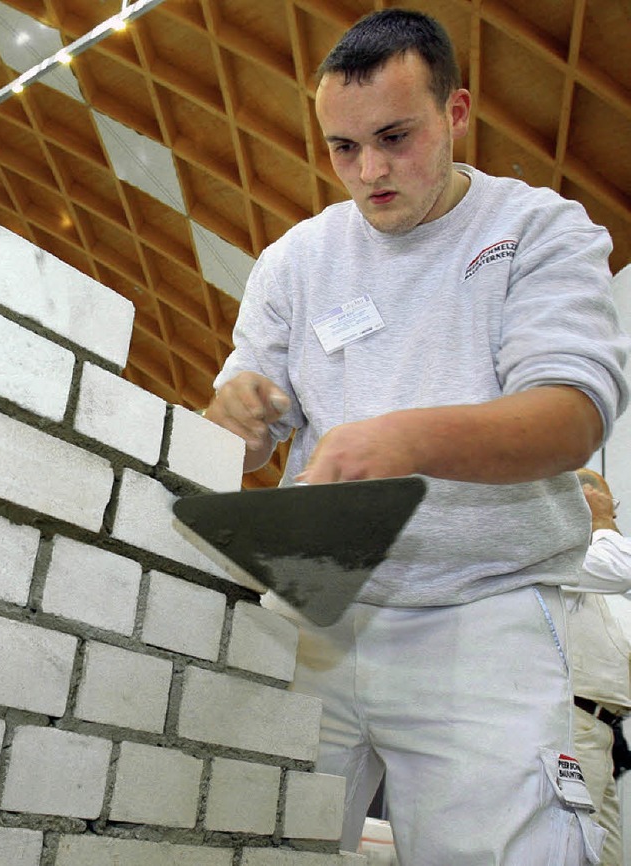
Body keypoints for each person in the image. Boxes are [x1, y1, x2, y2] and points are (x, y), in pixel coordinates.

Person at [205, 8, 629, 864]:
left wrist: (404, 441)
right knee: (243, 837)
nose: (370, 171)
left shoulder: (538, 231)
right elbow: (236, 435)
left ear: (457, 112)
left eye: (395, 137)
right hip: (315, 612)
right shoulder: (296, 258)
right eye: (343, 148)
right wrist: (236, 420)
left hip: (482, 614)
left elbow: (571, 411)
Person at [565, 468, 631, 865]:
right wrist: (602, 522)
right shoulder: (567, 561)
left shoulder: (606, 576)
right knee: (576, 850)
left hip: (605, 732)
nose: (612, 516)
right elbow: (620, 565)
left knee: (606, 856)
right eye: (604, 504)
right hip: (574, 725)